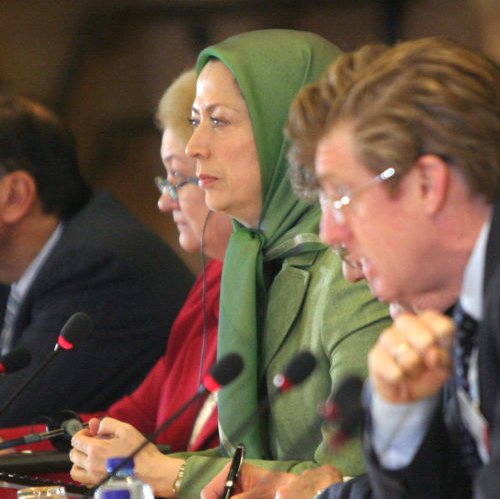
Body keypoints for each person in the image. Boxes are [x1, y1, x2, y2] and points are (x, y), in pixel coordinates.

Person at [70, 29, 391, 499]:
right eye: (196, 120)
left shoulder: (355, 272)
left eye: (218, 122)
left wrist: (165, 472)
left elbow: (349, 481)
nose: (196, 144)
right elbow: (239, 460)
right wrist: (148, 463)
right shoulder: (246, 262)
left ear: (287, 131)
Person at [271, 36, 500, 499]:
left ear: (427, 184)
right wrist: (403, 417)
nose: (331, 233)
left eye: (341, 197)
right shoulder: (452, 310)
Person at [0, 70, 234, 455]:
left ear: (16, 195)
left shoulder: (98, 265)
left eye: (177, 178)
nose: (163, 202)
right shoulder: (215, 280)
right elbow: (134, 415)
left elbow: (12, 408)